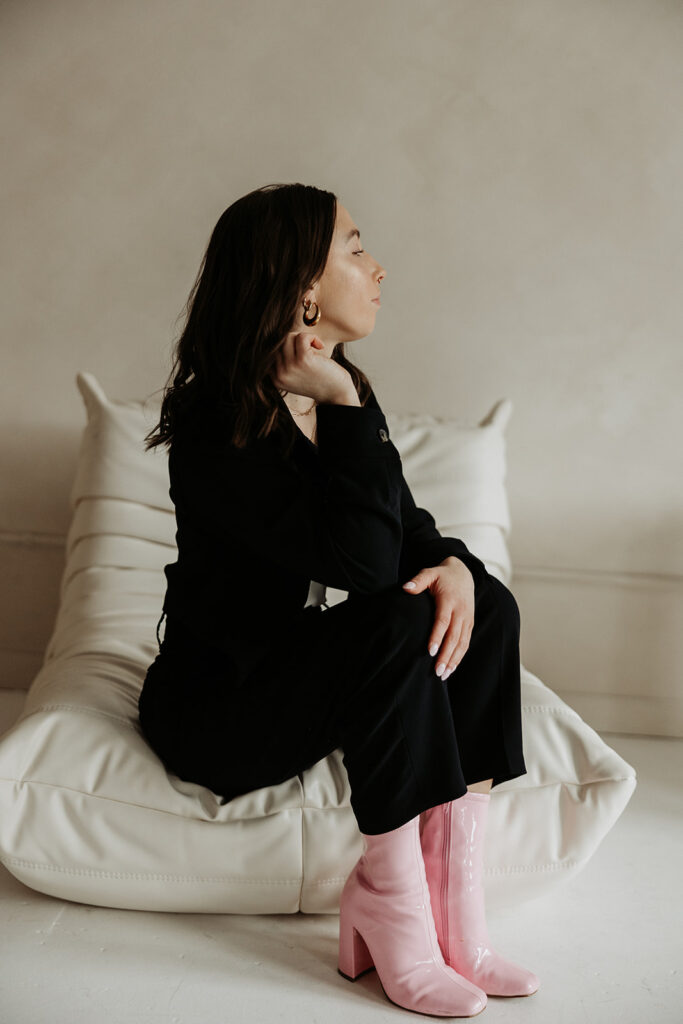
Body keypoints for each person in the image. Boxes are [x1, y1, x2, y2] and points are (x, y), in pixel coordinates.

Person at [137, 183, 539, 1016]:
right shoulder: (220, 425)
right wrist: (347, 406)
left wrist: (456, 563)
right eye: (355, 248)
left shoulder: (335, 385)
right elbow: (363, 563)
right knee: (392, 622)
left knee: (484, 604)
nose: (378, 266)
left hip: (295, 675)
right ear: (303, 287)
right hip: (222, 712)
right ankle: (388, 905)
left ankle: (453, 909)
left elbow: (403, 529)